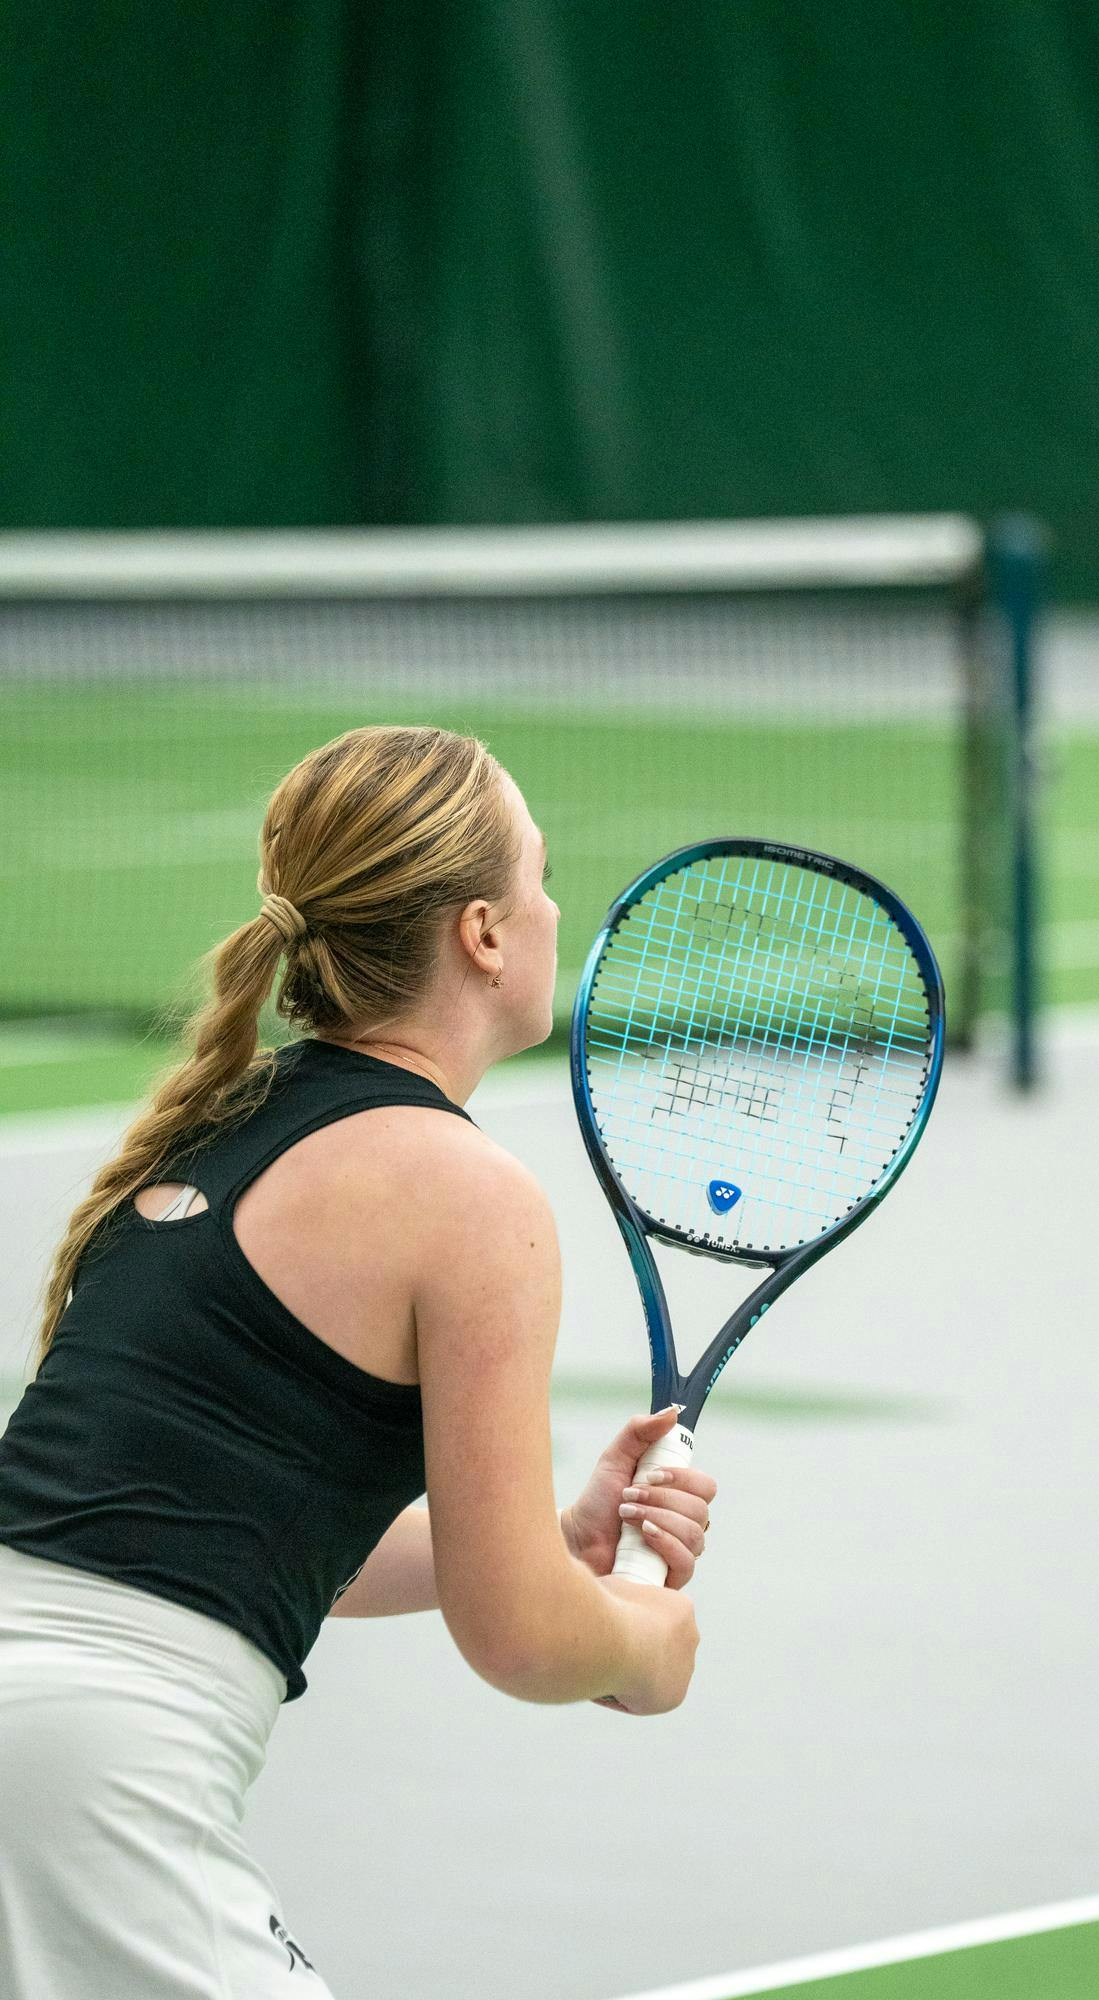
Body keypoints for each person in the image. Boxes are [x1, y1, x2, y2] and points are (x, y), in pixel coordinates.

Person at [0, 724, 714, 1998]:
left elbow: (233, 1527)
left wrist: (543, 1535)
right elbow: (523, 1639)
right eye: (539, 875)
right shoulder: (470, 1193)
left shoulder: (224, 1121)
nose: (555, 906)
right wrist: (646, 1641)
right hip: (89, 1775)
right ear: (484, 933)